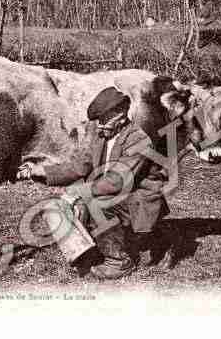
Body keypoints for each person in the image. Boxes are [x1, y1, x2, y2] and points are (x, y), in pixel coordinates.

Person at [19, 88, 169, 279]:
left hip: (138, 199)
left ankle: (119, 261)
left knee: (96, 204)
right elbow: (79, 166)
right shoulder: (101, 136)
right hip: (113, 194)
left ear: (120, 115)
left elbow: (117, 182)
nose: (99, 126)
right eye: (98, 120)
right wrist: (41, 171)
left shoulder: (139, 140)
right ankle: (85, 253)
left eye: (104, 120)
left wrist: (80, 191)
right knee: (60, 206)